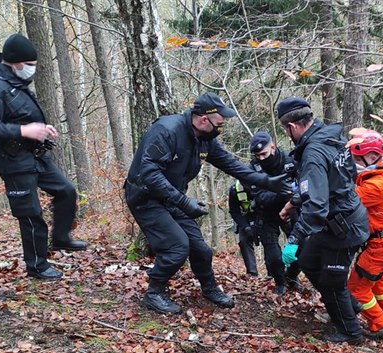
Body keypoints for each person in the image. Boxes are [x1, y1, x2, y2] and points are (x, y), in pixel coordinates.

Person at [124, 92, 289, 314]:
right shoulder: (166, 131)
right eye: (219, 124)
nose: (221, 129)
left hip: (172, 197)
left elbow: (232, 165)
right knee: (177, 247)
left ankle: (209, 288)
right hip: (145, 197)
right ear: (203, 119)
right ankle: (154, 293)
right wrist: (183, 202)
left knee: (201, 249)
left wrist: (268, 181)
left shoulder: (205, 140)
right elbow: (150, 174)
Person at [0, 33, 88, 280]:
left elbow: (19, 114)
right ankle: (37, 265)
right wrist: (24, 130)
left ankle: (61, 239)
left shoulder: (14, 81)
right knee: (31, 213)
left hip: (35, 155)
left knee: (66, 191)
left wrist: (42, 130)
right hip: (13, 159)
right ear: (15, 62)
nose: (33, 70)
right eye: (30, 65)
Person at [277, 97, 369, 344]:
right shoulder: (330, 138)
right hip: (335, 221)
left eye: (286, 131)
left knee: (332, 281)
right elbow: (329, 182)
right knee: (308, 261)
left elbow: (316, 206)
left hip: (344, 227)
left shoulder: (314, 152)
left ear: (292, 127)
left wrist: (294, 238)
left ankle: (350, 332)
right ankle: (349, 306)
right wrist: (293, 202)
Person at [347, 130, 383, 339]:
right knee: (378, 282)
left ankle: (380, 325)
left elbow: (348, 200)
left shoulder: (376, 185)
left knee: (356, 288)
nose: (353, 163)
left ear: (371, 157)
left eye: (355, 158)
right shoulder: (378, 176)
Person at [248, 131, 301, 295]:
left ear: (273, 146)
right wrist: (283, 193)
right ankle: (279, 283)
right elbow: (260, 196)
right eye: (258, 155)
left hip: (292, 210)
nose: (262, 158)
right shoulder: (253, 168)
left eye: (264, 153)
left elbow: (302, 186)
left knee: (300, 249)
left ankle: (292, 277)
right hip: (266, 214)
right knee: (273, 255)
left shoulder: (290, 160)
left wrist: (293, 198)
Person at [227, 180, 258, 277]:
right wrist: (245, 226)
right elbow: (234, 211)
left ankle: (272, 272)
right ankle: (252, 273)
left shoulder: (259, 184)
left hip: (262, 214)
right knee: (244, 241)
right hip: (245, 216)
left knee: (269, 240)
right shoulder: (234, 190)